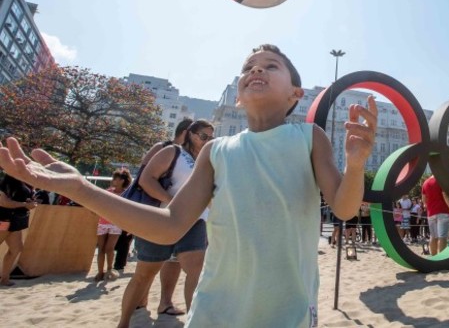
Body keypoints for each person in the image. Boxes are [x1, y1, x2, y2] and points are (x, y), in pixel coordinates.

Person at [0, 44, 377, 326]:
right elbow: (169, 226)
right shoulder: (216, 150)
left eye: (271, 66)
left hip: (287, 312)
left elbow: (344, 209)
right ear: (240, 94)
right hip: (215, 310)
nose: (256, 69)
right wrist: (83, 190)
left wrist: (356, 163)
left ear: (297, 93)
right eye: (248, 67)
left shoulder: (310, 138)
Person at [117, 119, 213, 326]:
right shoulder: (172, 152)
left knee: (196, 271)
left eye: (210, 138)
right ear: (190, 133)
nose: (207, 141)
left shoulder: (204, 159)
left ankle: (193, 321)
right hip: (161, 219)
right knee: (145, 273)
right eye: (203, 136)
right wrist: (172, 202)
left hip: (194, 221)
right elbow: (146, 179)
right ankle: (123, 322)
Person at [94, 169, 132, 282]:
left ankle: (109, 270)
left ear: (122, 180)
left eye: (116, 178)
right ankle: (100, 272)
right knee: (101, 249)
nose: (113, 180)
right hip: (103, 221)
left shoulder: (126, 194)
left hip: (116, 223)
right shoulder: (109, 191)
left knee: (109, 249)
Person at [0, 174, 37, 286]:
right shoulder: (5, 182)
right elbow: (4, 203)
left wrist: (29, 202)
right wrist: (25, 204)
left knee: (16, 248)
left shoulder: (22, 180)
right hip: (3, 219)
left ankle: (5, 279)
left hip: (15, 221)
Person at [421, 175, 449, 255]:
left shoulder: (426, 182)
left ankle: (434, 258)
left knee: (433, 236)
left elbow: (424, 199)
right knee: (443, 237)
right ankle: (441, 259)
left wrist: (428, 206)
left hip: (431, 213)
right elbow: (445, 195)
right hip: (443, 211)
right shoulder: (441, 180)